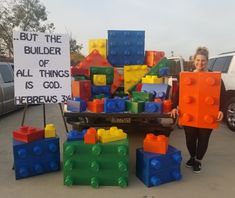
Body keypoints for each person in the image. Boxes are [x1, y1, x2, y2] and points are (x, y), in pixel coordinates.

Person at [170, 47, 225, 173]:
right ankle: (192, 157)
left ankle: (198, 161)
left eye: (203, 61)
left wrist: (221, 109)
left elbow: (222, 95)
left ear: (207, 61)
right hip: (189, 114)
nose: (200, 63)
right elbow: (177, 94)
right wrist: (174, 107)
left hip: (208, 114)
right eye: (198, 60)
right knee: (190, 138)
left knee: (203, 138)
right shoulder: (186, 77)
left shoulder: (215, 78)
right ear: (194, 60)